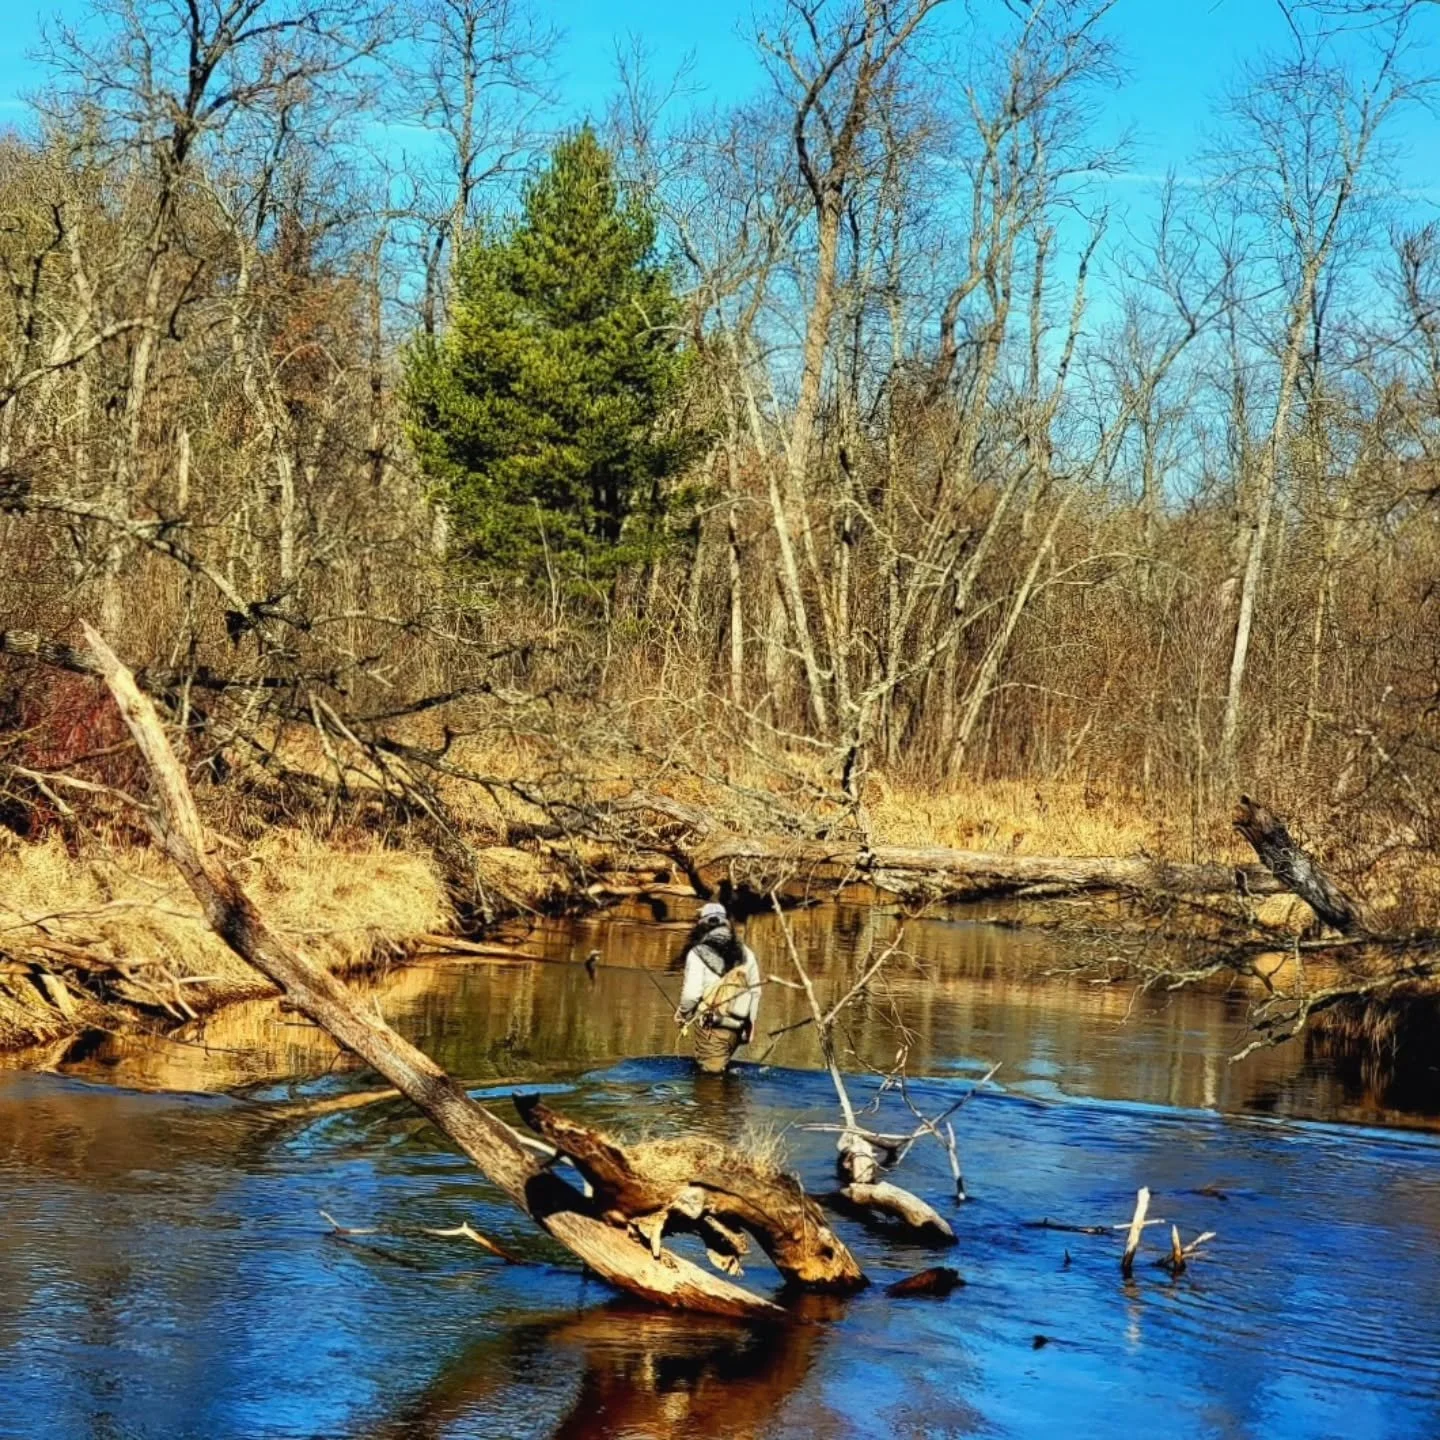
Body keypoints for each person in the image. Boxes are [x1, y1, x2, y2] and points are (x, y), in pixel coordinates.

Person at [674, 901, 762, 1073]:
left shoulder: (697, 953)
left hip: (712, 1028)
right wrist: (750, 1024)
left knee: (709, 1084)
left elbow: (691, 995)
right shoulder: (746, 952)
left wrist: (682, 1014)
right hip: (738, 1029)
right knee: (725, 1080)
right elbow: (756, 991)